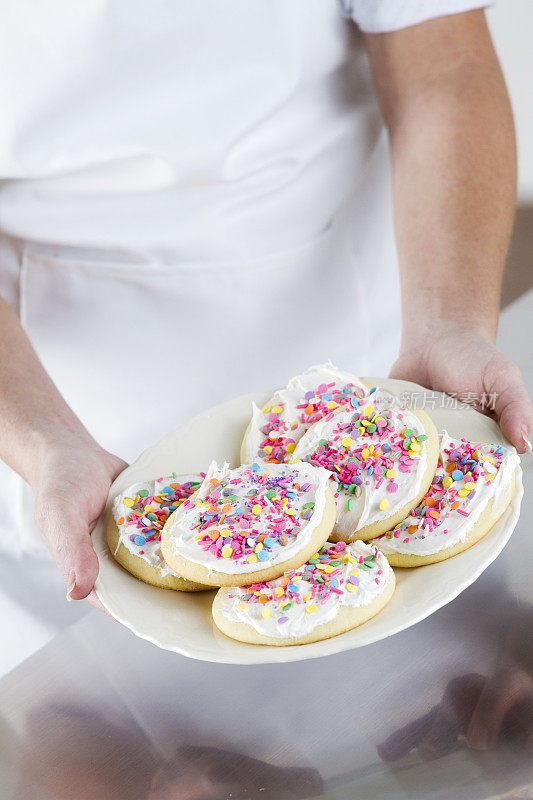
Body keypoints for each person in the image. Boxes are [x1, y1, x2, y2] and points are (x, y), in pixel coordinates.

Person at [0, 1, 531, 665]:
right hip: (51, 418)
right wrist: (45, 446)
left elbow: (443, 67)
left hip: (373, 368)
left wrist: (447, 324)